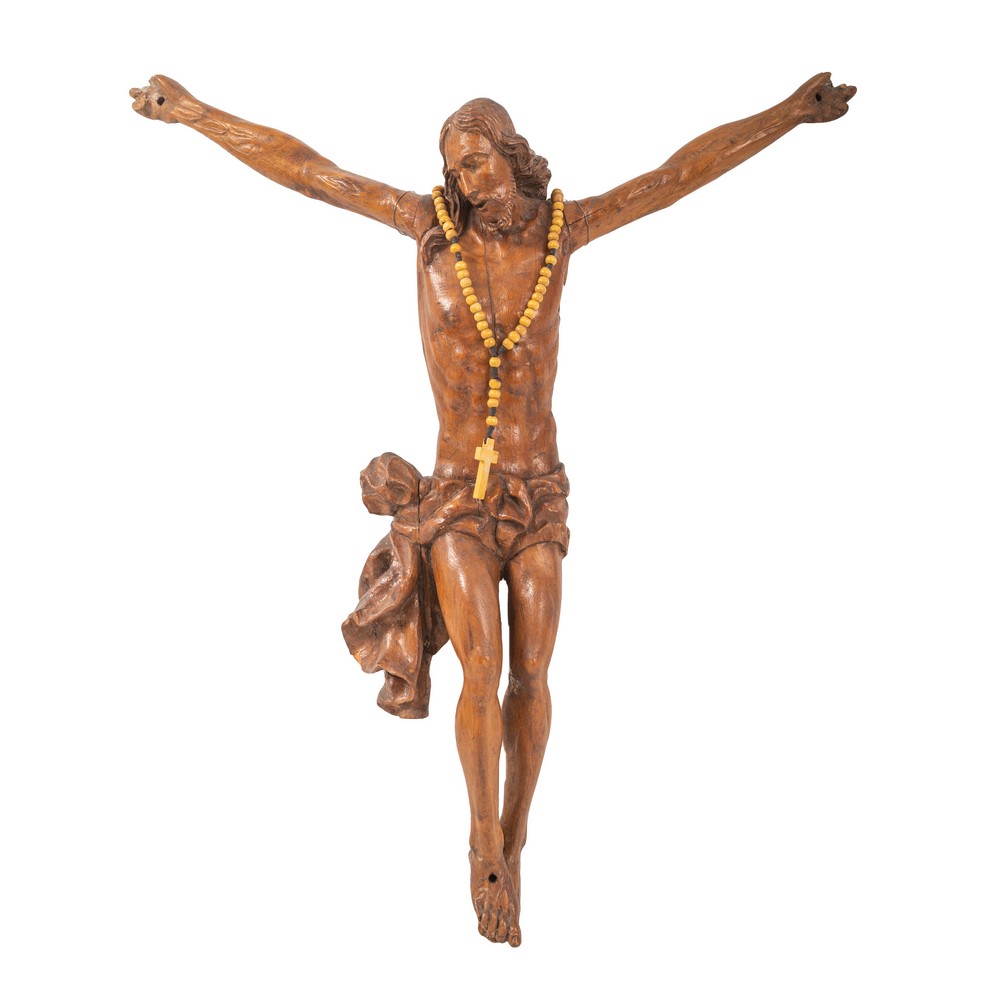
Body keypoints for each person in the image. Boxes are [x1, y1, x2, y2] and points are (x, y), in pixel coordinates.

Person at [129, 73, 855, 946]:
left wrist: (789, 113)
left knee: (534, 674)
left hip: (537, 491)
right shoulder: (427, 230)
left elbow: (675, 177)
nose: (466, 183)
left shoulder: (562, 232)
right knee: (483, 668)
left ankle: (517, 838)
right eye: (455, 169)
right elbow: (312, 173)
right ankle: (481, 845)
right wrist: (195, 113)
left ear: (511, 155)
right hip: (457, 497)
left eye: (477, 163)